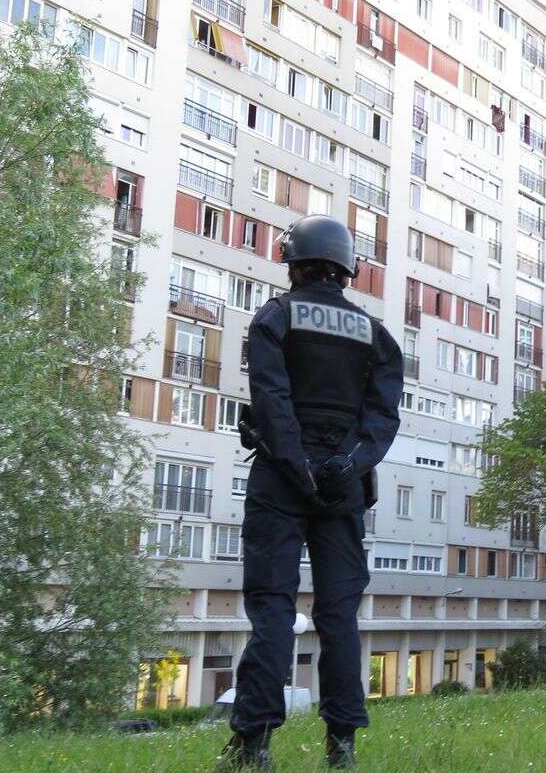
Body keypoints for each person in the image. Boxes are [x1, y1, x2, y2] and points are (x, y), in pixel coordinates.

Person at [213, 216, 403, 772]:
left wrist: (297, 465)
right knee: (339, 614)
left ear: (296, 265)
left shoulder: (274, 318)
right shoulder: (376, 335)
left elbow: (272, 401)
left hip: (280, 480)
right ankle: (341, 746)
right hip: (343, 489)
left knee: (272, 609)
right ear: (346, 270)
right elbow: (381, 419)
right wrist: (345, 464)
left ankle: (254, 746)